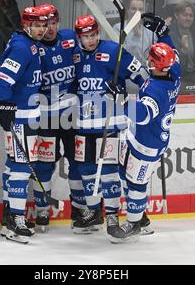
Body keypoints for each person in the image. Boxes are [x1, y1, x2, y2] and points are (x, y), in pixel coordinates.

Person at [106, 13, 181, 243]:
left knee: (137, 183)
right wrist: (163, 33)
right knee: (125, 175)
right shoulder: (173, 72)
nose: (147, 61)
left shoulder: (156, 91)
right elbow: (173, 53)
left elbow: (142, 115)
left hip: (147, 144)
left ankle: (135, 223)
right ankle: (141, 217)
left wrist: (121, 99)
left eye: (151, 59)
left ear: (156, 65)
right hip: (136, 138)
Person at [71, 14, 146, 236]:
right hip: (84, 124)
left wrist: (123, 90)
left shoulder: (114, 51)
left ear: (98, 33)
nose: (91, 40)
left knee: (110, 172)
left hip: (111, 124)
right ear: (79, 38)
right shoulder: (74, 56)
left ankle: (112, 214)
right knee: (86, 169)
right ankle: (94, 211)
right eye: (86, 37)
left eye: (94, 35)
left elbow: (141, 76)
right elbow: (72, 84)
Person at [0, 6, 49, 243]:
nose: (42, 29)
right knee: (22, 167)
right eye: (37, 25)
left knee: (13, 164)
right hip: (21, 116)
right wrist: (4, 104)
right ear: (27, 25)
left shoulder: (28, 44)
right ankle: (16, 220)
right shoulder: (22, 47)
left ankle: (8, 219)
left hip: (27, 114)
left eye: (44, 25)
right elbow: (2, 78)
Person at [30, 3, 87, 233]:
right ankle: (42, 209)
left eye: (53, 23)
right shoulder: (32, 48)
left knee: (77, 161)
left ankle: (79, 208)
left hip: (72, 115)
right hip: (46, 117)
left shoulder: (71, 39)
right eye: (45, 24)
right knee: (44, 164)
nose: (50, 28)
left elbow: (88, 64)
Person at [169, 0, 195, 94]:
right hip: (177, 79)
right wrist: (183, 51)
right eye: (184, 15)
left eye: (191, 15)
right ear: (176, 15)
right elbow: (171, 68)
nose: (188, 18)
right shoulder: (168, 35)